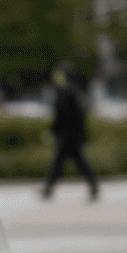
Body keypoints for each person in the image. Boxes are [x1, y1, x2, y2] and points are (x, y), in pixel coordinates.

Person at [42, 64, 98, 200]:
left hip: (68, 137)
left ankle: (48, 189)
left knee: (67, 162)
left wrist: (53, 131)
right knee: (67, 163)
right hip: (72, 136)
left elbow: (62, 116)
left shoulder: (66, 93)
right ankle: (48, 189)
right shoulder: (73, 92)